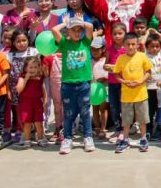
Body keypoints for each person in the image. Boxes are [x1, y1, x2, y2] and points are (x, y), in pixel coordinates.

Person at [50, 16, 95, 155]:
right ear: (68, 31)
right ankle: (67, 138)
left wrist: (81, 21)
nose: (77, 33)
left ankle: (88, 137)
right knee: (68, 114)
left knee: (85, 113)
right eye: (73, 30)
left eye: (79, 30)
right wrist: (64, 23)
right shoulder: (64, 43)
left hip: (83, 84)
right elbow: (53, 30)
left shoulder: (86, 42)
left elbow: (90, 27)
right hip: (68, 85)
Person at [112, 32, 152, 153]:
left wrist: (140, 81)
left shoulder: (142, 56)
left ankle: (143, 138)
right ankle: (125, 139)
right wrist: (124, 82)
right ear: (124, 45)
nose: (130, 47)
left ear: (137, 45)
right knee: (126, 120)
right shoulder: (121, 58)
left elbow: (148, 72)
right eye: (128, 44)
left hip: (141, 94)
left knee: (143, 119)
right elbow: (116, 74)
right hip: (126, 96)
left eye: (133, 44)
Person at [7, 29, 39, 143]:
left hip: (32, 87)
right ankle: (21, 130)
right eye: (18, 41)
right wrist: (9, 91)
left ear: (28, 40)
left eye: (24, 40)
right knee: (20, 110)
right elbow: (7, 75)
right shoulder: (10, 55)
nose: (21, 43)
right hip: (16, 87)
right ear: (14, 43)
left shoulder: (34, 51)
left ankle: (35, 131)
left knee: (35, 110)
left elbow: (39, 69)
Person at [15, 56, 47, 148]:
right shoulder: (22, 77)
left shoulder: (40, 78)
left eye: (35, 67)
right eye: (31, 67)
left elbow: (43, 90)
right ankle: (27, 140)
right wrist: (26, 79)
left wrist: (45, 101)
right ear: (25, 68)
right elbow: (19, 89)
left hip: (37, 102)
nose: (33, 69)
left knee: (39, 122)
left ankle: (40, 138)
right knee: (27, 123)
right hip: (26, 103)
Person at [104, 22, 127, 144]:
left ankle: (125, 129)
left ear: (125, 34)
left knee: (125, 106)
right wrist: (108, 67)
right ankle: (118, 128)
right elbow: (105, 65)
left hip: (124, 82)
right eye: (114, 34)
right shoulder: (109, 48)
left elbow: (129, 65)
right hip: (112, 82)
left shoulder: (127, 48)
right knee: (114, 106)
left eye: (120, 33)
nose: (117, 36)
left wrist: (116, 68)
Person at [145, 33, 161, 139]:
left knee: (160, 108)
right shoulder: (144, 55)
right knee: (149, 110)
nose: (155, 49)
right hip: (149, 87)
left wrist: (156, 33)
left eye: (157, 46)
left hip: (160, 87)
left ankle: (159, 129)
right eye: (152, 46)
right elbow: (141, 43)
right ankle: (148, 129)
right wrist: (148, 32)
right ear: (147, 46)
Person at [90, 37, 109, 140]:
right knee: (95, 108)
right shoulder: (90, 61)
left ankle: (103, 128)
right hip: (93, 89)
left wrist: (105, 78)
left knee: (103, 108)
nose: (95, 52)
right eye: (92, 49)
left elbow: (109, 73)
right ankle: (97, 127)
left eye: (97, 49)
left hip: (104, 87)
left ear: (103, 49)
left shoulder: (106, 60)